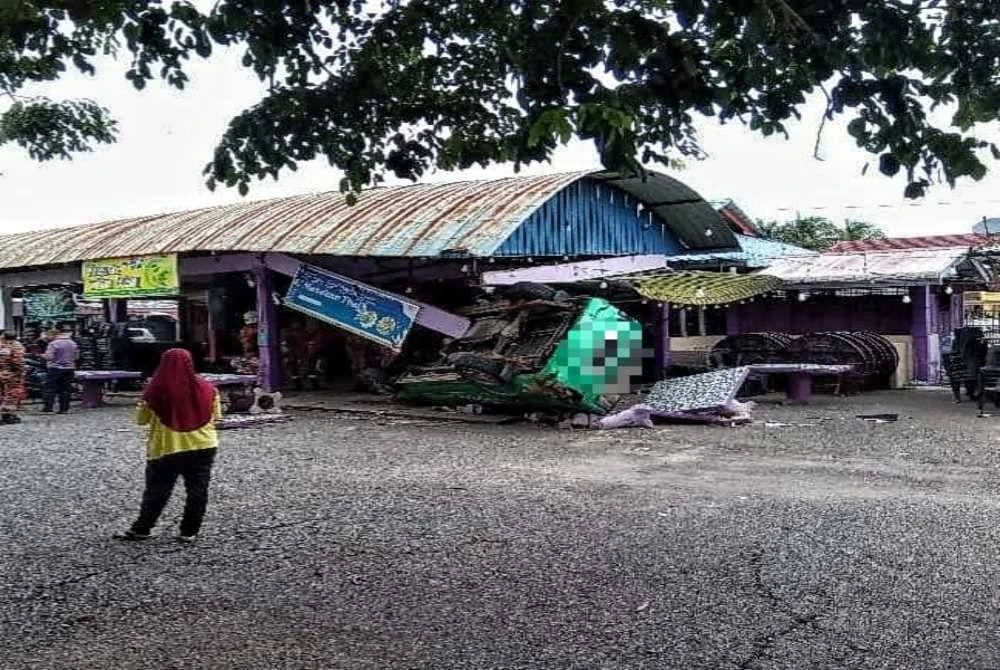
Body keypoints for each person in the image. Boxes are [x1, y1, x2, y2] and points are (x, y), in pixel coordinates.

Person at [114, 348, 222, 543]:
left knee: (157, 490)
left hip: (167, 447)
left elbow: (141, 420)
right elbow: (216, 417)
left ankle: (142, 528)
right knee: (198, 490)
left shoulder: (155, 390)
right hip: (204, 445)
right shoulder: (208, 388)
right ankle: (189, 531)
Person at [41, 325, 79, 414]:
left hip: (55, 368)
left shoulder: (54, 343)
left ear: (59, 332)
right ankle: (64, 408)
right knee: (65, 389)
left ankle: (48, 408)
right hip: (69, 368)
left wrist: (41, 355)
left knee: (50, 388)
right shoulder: (73, 343)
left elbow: (49, 357)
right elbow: (76, 357)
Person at [0, 332, 26, 424]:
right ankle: (8, 415)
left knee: (2, 395)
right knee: (12, 395)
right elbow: (18, 362)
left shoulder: (1, 344)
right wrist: (21, 371)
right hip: (11, 375)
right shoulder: (16, 346)